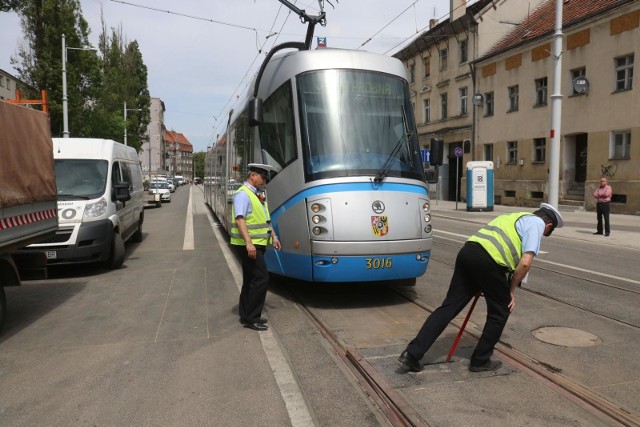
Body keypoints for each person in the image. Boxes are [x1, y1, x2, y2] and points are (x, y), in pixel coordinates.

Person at [398, 203, 564, 373]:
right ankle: (480, 360)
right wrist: (510, 291)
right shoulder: (537, 224)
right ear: (549, 225)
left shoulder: (513, 216)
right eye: (547, 233)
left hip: (468, 253)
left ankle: (411, 354)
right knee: (501, 310)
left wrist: (484, 281)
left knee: (449, 307)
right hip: (488, 262)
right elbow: (526, 262)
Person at [230, 163, 281, 331]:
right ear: (252, 176)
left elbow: (266, 218)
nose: (264, 181)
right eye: (262, 177)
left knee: (251, 279)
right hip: (249, 245)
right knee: (261, 278)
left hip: (258, 244)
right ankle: (252, 317)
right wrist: (249, 243)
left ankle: (246, 315)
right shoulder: (243, 195)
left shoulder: (258, 195)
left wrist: (274, 236)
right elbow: (239, 219)